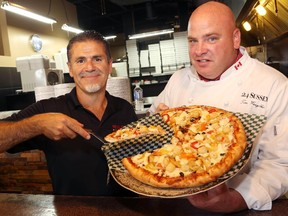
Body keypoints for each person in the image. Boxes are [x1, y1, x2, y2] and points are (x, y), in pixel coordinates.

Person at [149, 1, 288, 213]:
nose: (199, 50)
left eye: (211, 38)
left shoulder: (274, 85)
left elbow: (279, 164)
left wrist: (235, 200)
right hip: (177, 203)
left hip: (240, 206)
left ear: (235, 38)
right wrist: (158, 127)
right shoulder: (178, 80)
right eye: (193, 41)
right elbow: (150, 129)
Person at [0, 30, 138, 196]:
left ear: (109, 65)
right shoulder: (48, 109)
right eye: (80, 60)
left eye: (97, 59)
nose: (89, 67)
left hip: (126, 210)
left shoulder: (125, 109)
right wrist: (38, 124)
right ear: (70, 69)